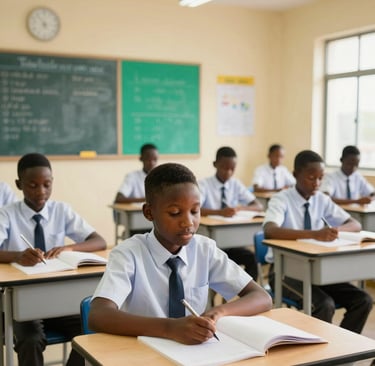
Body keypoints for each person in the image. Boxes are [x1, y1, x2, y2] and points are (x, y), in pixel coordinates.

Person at [89, 163, 272, 344]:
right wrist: (170, 328)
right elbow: (98, 315)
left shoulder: (204, 249)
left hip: (192, 351)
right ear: (149, 212)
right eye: (175, 213)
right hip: (142, 348)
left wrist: (216, 313)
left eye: (195, 211)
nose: (188, 222)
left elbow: (261, 297)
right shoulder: (129, 253)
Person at [0, 153, 107, 366]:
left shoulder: (61, 210)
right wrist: (18, 256)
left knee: (92, 334)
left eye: (47, 185)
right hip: (22, 303)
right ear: (19, 184)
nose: (41, 191)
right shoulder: (7, 214)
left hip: (57, 300)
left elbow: (99, 241)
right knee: (31, 339)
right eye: (33, 185)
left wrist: (68, 247)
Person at [263, 149, 372, 334]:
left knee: (363, 300)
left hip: (318, 271)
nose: (317, 183)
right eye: (311, 178)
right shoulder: (281, 199)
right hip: (285, 272)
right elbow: (270, 230)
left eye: (321, 178)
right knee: (324, 305)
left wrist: (336, 231)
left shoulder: (322, 199)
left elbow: (354, 223)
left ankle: (343, 353)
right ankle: (319, 358)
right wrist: (314, 234)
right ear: (296, 174)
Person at [199, 146, 263, 280]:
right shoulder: (204, 184)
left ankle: (248, 297)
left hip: (232, 243)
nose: (228, 172)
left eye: (232, 169)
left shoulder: (235, 184)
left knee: (251, 258)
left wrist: (239, 208)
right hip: (212, 246)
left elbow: (258, 206)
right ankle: (213, 296)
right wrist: (220, 212)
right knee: (216, 264)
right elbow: (194, 209)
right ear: (215, 164)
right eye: (224, 168)